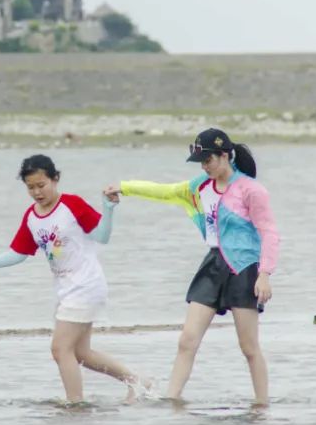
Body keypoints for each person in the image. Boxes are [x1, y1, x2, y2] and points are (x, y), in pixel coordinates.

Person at [104, 127, 279, 405]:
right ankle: (171, 400)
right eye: (201, 162)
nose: (204, 166)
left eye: (208, 160)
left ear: (224, 156)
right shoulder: (199, 186)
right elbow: (165, 191)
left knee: (249, 348)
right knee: (187, 340)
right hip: (213, 265)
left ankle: (261, 405)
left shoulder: (251, 190)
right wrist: (125, 187)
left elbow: (269, 232)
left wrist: (265, 274)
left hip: (244, 269)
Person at [0, 154, 146, 403]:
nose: (37, 192)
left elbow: (102, 236)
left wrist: (108, 208)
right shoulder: (32, 216)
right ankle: (137, 382)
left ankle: (75, 404)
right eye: (30, 187)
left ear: (55, 179)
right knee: (81, 353)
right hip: (65, 289)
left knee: (60, 349)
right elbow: (17, 254)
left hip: (86, 285)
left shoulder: (72, 204)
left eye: (41, 185)